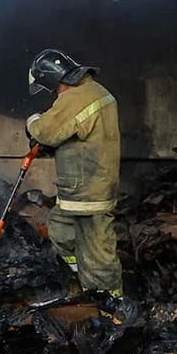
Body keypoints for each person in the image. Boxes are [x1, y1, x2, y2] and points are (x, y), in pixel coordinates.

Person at [25, 48, 123, 299]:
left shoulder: (78, 97)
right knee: (60, 229)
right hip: (82, 189)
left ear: (51, 78)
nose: (52, 93)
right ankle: (79, 276)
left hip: (89, 191)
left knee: (98, 249)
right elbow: (73, 132)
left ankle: (110, 302)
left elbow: (46, 130)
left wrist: (32, 121)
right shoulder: (95, 92)